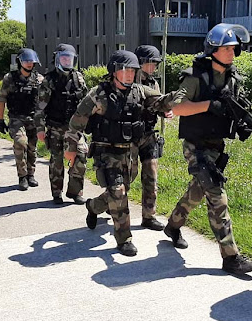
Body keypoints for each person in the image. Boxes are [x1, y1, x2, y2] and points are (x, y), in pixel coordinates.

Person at [64, 50, 182, 257]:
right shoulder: (98, 94)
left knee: (120, 191)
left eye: (133, 71)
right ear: (114, 71)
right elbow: (76, 122)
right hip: (105, 152)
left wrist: (180, 96)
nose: (129, 75)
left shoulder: (140, 91)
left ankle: (93, 206)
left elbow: (160, 101)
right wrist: (71, 149)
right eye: (125, 70)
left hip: (129, 153)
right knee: (118, 192)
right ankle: (124, 239)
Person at [164, 23, 252, 275]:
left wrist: (241, 124)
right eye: (226, 48)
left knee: (197, 192)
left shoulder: (232, 77)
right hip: (195, 146)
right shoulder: (195, 75)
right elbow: (177, 106)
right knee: (216, 194)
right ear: (212, 49)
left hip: (216, 146)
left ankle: (173, 225)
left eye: (234, 48)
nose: (231, 52)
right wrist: (208, 105)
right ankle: (231, 257)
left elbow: (234, 107)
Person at [39, 44, 88, 205]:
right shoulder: (49, 80)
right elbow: (39, 108)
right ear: (58, 58)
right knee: (57, 160)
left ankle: (75, 191)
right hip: (55, 127)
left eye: (70, 58)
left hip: (74, 128)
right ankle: (56, 192)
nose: (67, 61)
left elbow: (86, 102)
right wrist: (40, 129)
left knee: (81, 154)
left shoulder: (78, 78)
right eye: (64, 57)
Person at [133, 45, 171, 231]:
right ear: (141, 62)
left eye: (156, 63)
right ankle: (107, 204)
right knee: (125, 178)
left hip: (149, 135)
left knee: (151, 178)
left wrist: (165, 112)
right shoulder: (128, 80)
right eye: (151, 63)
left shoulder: (153, 84)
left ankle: (149, 216)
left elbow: (158, 103)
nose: (154, 66)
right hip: (129, 136)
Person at [0, 48, 45, 191]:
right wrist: (0, 120)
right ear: (20, 62)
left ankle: (31, 174)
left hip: (34, 119)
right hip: (16, 117)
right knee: (20, 142)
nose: (29, 64)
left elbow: (45, 101)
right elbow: (2, 99)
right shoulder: (10, 78)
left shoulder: (39, 79)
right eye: (26, 61)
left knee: (32, 147)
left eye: (31, 61)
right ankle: (22, 176)